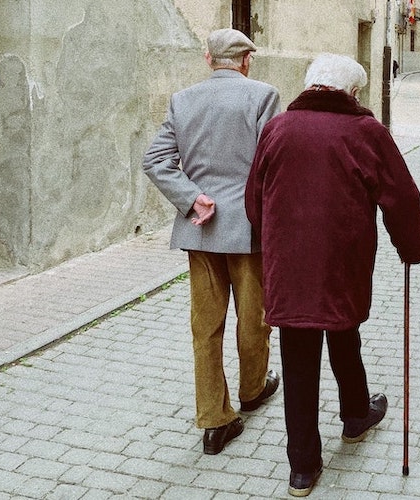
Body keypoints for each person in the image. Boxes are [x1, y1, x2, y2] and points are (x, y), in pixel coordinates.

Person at [245, 53, 420, 497]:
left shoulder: (278, 129)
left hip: (289, 266)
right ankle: (354, 416)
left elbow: (254, 199)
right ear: (352, 92)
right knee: (345, 334)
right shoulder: (365, 131)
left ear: (310, 86)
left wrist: (274, 238)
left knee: (297, 356)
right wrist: (412, 249)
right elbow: (401, 197)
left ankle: (303, 469)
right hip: (342, 260)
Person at [143, 28, 282, 455]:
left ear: (208, 59)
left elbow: (155, 161)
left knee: (205, 326)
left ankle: (214, 420)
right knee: (253, 316)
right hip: (249, 229)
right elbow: (270, 162)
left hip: (200, 228)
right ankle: (252, 389)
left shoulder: (183, 99)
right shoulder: (264, 95)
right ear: (246, 61)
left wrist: (192, 197)